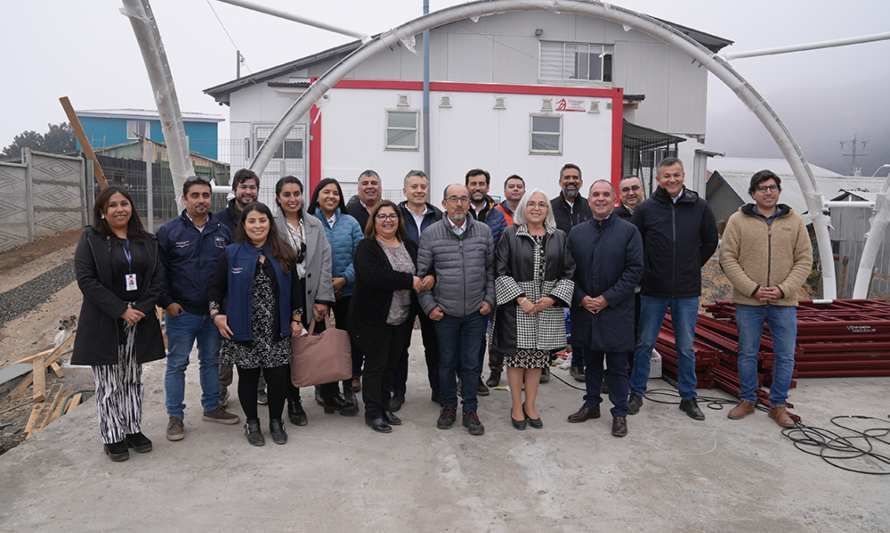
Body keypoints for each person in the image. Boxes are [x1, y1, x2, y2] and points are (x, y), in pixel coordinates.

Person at [72, 186, 165, 462]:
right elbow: (86, 280)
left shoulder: (146, 241)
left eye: (124, 203)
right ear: (102, 211)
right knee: (110, 383)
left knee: (132, 379)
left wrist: (140, 309)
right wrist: (121, 310)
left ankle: (133, 428)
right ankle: (112, 435)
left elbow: (158, 279)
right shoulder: (91, 240)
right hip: (105, 321)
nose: (120, 209)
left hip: (139, 320)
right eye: (112, 205)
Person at [719, 170, 812, 428]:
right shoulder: (738, 221)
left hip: (784, 303)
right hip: (749, 302)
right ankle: (747, 399)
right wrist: (752, 289)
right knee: (748, 353)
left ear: (779, 191)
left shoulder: (795, 222)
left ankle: (778, 405)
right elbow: (728, 258)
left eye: (772, 187)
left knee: (785, 356)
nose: (768, 192)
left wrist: (783, 289)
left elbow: (804, 260)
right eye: (762, 188)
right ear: (752, 193)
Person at [628, 157, 718, 420]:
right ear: (658, 179)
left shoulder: (699, 207)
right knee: (644, 343)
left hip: (687, 290)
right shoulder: (646, 209)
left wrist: (691, 266)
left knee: (686, 347)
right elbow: (635, 245)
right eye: (666, 176)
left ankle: (688, 398)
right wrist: (647, 272)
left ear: (683, 175)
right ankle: (636, 393)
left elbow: (710, 241)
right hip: (653, 289)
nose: (671, 180)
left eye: (676, 175)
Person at [209, 203, 304, 446]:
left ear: (270, 224)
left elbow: (296, 290)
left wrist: (296, 318)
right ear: (244, 225)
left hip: (276, 329)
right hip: (243, 329)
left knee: (278, 379)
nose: (258, 225)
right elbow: (215, 288)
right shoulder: (231, 254)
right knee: (248, 379)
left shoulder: (283, 253)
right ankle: (252, 422)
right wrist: (216, 314)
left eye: (262, 220)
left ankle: (275, 421)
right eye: (252, 221)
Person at [157, 176, 240, 442]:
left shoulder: (222, 231)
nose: (201, 200)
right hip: (182, 313)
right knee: (177, 363)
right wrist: (167, 302)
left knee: (211, 361)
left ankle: (212, 407)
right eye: (195, 195)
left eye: (205, 195)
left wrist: (223, 309)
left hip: (213, 314)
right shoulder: (169, 232)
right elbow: (159, 272)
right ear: (184, 199)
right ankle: (175, 417)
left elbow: (229, 272)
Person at [566, 180, 643, 438]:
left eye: (605, 195)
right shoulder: (576, 233)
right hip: (585, 309)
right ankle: (591, 405)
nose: (600, 199)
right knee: (591, 362)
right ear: (589, 201)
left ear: (614, 200)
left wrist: (607, 299)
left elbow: (634, 271)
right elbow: (568, 272)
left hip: (617, 310)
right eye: (595, 195)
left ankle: (619, 412)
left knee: (619, 366)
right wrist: (582, 298)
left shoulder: (629, 231)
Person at [492, 189, 575, 430]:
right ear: (523, 209)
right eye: (531, 204)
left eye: (541, 204)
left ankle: (531, 405)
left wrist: (553, 298)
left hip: (547, 305)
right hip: (518, 306)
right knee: (517, 359)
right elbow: (500, 270)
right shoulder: (510, 234)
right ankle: (517, 406)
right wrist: (521, 298)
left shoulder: (559, 236)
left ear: (548, 209)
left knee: (537, 360)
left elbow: (569, 271)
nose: (536, 208)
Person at [417, 183, 495, 436]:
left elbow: (491, 272)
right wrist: (430, 307)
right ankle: (449, 406)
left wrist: (489, 301)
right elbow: (422, 276)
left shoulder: (483, 232)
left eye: (464, 198)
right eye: (454, 199)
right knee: (447, 363)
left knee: (472, 364)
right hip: (445, 313)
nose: (459, 203)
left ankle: (470, 410)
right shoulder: (431, 234)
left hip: (475, 311)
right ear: (444, 203)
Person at [351, 201, 431, 432]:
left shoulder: (409, 245)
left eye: (392, 216)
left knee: (391, 364)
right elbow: (372, 276)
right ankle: (373, 412)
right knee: (376, 365)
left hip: (402, 316)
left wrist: (429, 278)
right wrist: (409, 281)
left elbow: (423, 268)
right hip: (374, 318)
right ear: (373, 221)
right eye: (382, 216)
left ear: (399, 219)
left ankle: (385, 406)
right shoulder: (367, 247)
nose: (388, 220)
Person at [274, 176, 335, 427]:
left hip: (311, 293)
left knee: (309, 348)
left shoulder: (314, 224)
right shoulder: (272, 224)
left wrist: (323, 298)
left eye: (297, 193)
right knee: (287, 351)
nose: (292, 199)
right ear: (278, 198)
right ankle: (293, 400)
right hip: (284, 295)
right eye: (286, 194)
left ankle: (322, 392)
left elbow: (325, 261)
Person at [307, 178, 364, 416]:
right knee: (322, 341)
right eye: (326, 192)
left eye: (335, 193)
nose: (331, 196)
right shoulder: (308, 222)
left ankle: (347, 387)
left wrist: (344, 279)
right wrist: (324, 285)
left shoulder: (350, 222)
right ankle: (325, 389)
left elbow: (360, 255)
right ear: (317, 196)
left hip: (347, 291)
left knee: (348, 341)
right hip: (318, 293)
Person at [396, 170, 442, 407]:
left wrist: (433, 274)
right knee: (399, 344)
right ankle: (397, 392)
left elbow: (446, 251)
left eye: (423, 186)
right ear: (405, 190)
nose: (419, 190)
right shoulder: (394, 215)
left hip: (431, 289)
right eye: (414, 186)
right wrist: (407, 278)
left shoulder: (438, 216)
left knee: (434, 343)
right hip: (402, 289)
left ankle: (439, 389)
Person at [216, 168, 262, 405]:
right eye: (243, 186)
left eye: (252, 187)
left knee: (260, 341)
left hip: (258, 294)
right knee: (226, 348)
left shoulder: (263, 216)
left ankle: (260, 387)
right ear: (234, 190)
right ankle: (221, 388)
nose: (248, 191)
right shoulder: (220, 220)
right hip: (229, 294)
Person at [465, 168, 507, 396]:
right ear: (467, 186)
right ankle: (468, 376)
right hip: (465, 281)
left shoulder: (497, 215)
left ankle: (489, 373)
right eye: (473, 183)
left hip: (491, 281)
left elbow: (501, 250)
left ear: (488, 187)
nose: (477, 187)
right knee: (469, 335)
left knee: (489, 333)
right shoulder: (460, 210)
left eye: (481, 183)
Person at [550, 163, 592, 382]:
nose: (571, 181)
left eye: (575, 178)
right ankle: (544, 363)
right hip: (555, 273)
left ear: (581, 182)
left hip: (583, 273)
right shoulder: (550, 207)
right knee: (549, 318)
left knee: (580, 321)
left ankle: (578, 364)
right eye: (567, 178)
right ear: (560, 182)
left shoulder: (589, 207)